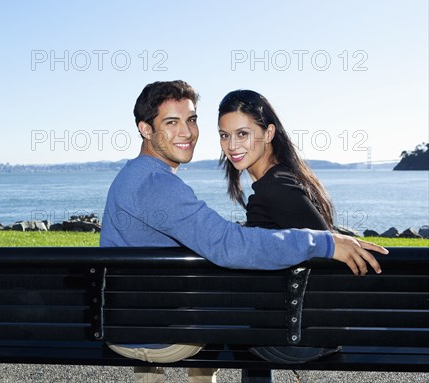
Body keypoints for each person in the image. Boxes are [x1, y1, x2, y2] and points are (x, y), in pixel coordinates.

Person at [99, 80, 387, 383]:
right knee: (231, 303)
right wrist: (323, 242)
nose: (186, 132)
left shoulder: (132, 176)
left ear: (269, 133)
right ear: (146, 129)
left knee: (232, 300)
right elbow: (227, 246)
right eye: (172, 122)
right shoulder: (157, 184)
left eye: (192, 120)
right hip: (157, 335)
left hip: (125, 324)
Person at [217, 89, 341, 379]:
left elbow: (326, 250)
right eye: (224, 135)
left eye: (243, 134)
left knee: (225, 324)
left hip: (306, 338)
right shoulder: (284, 178)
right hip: (313, 329)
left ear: (269, 133)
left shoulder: (276, 189)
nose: (231, 145)